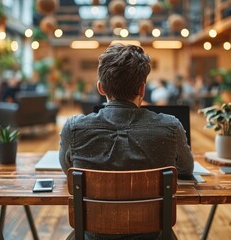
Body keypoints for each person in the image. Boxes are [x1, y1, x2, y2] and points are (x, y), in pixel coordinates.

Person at [59, 44, 194, 240]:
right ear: (142, 89)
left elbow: (68, 171)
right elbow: (187, 168)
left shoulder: (73, 128)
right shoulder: (170, 127)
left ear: (100, 87)